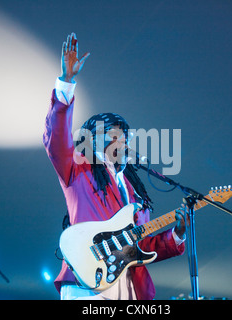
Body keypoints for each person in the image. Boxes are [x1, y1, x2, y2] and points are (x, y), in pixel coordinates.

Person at [43, 33, 186, 300]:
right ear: (93, 137)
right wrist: (67, 83)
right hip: (88, 282)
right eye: (114, 134)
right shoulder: (79, 170)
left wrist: (176, 236)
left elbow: (140, 245)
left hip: (128, 287)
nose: (122, 140)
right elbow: (56, 139)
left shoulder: (134, 192)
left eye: (125, 136)